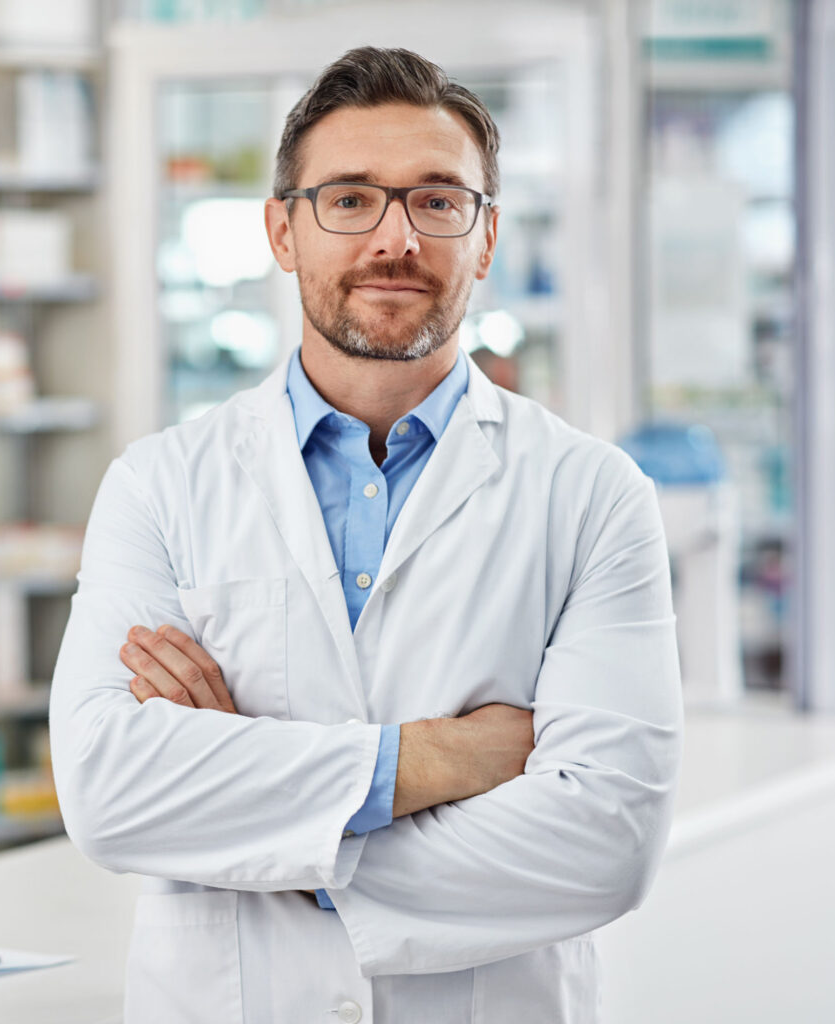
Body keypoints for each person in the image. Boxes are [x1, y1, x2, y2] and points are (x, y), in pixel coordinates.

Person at [49, 46, 683, 1024]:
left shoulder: (590, 494)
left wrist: (265, 828)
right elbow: (109, 790)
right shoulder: (160, 486)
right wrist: (440, 760)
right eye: (348, 199)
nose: (395, 238)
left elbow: (606, 842)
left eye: (437, 200)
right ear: (282, 230)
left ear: (485, 236)